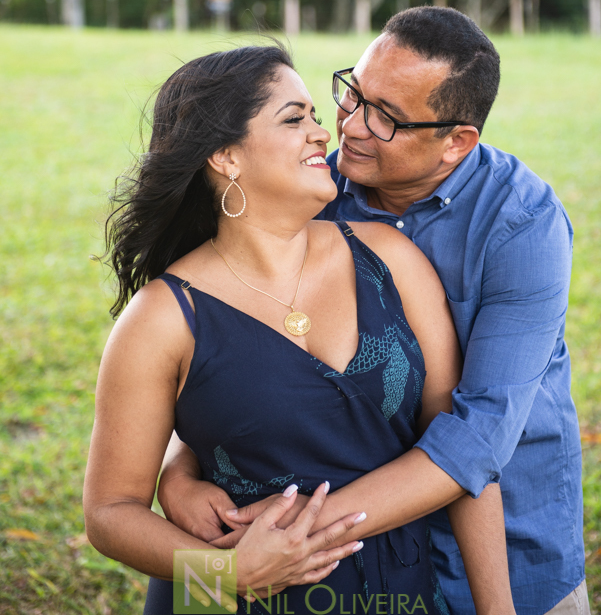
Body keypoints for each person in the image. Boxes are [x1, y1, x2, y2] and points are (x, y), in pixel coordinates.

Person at [159, 11, 588, 615]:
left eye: (385, 116)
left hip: (503, 544)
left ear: (456, 142)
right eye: (353, 93)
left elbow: (475, 435)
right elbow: (230, 366)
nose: (350, 126)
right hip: (341, 569)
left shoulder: (521, 224)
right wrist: (179, 472)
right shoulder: (309, 193)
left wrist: (290, 537)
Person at [83, 44, 516, 615]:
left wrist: (498, 610)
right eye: (295, 118)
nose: (323, 134)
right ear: (225, 157)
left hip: (396, 592)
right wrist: (227, 571)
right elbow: (110, 512)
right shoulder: (162, 317)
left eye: (315, 115)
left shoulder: (390, 258)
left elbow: (458, 448)